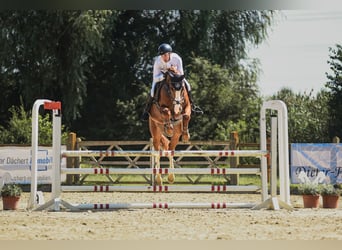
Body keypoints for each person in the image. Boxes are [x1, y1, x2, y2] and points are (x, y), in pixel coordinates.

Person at [141, 43, 202, 121]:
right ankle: (146, 110)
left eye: (165, 55)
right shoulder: (158, 62)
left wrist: (174, 72)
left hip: (175, 78)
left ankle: (193, 106)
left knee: (188, 85)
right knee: (152, 91)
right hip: (161, 78)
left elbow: (181, 74)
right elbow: (155, 78)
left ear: (170, 53)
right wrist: (166, 75)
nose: (164, 57)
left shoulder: (177, 58)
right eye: (162, 55)